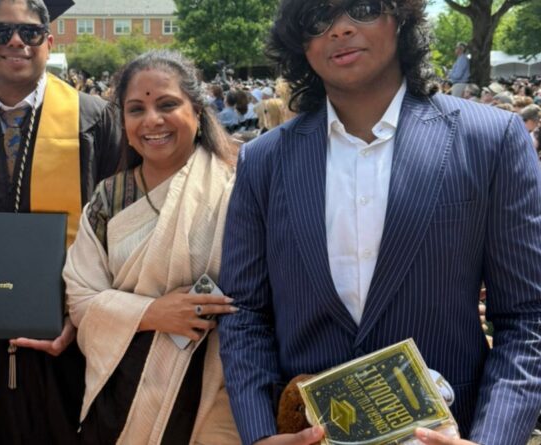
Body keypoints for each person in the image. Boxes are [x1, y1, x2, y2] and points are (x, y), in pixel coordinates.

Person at [218, 0, 541, 444]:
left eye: (364, 8)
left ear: (401, 19)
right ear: (300, 42)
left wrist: (493, 439)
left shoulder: (490, 140)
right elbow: (244, 313)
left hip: (456, 428)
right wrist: (258, 434)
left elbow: (527, 315)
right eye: (318, 19)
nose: (340, 29)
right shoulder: (262, 161)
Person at [0, 0, 123, 443]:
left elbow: (122, 232)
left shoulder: (95, 120)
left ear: (48, 42)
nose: (16, 41)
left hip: (75, 341)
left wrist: (86, 317)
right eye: (0, 32)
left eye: (30, 32)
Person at [63, 49, 240, 444]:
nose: (152, 120)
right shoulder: (110, 198)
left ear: (197, 111)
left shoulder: (238, 184)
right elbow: (80, 297)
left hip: (217, 388)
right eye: (136, 109)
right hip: (122, 394)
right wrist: (151, 313)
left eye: (167, 104)